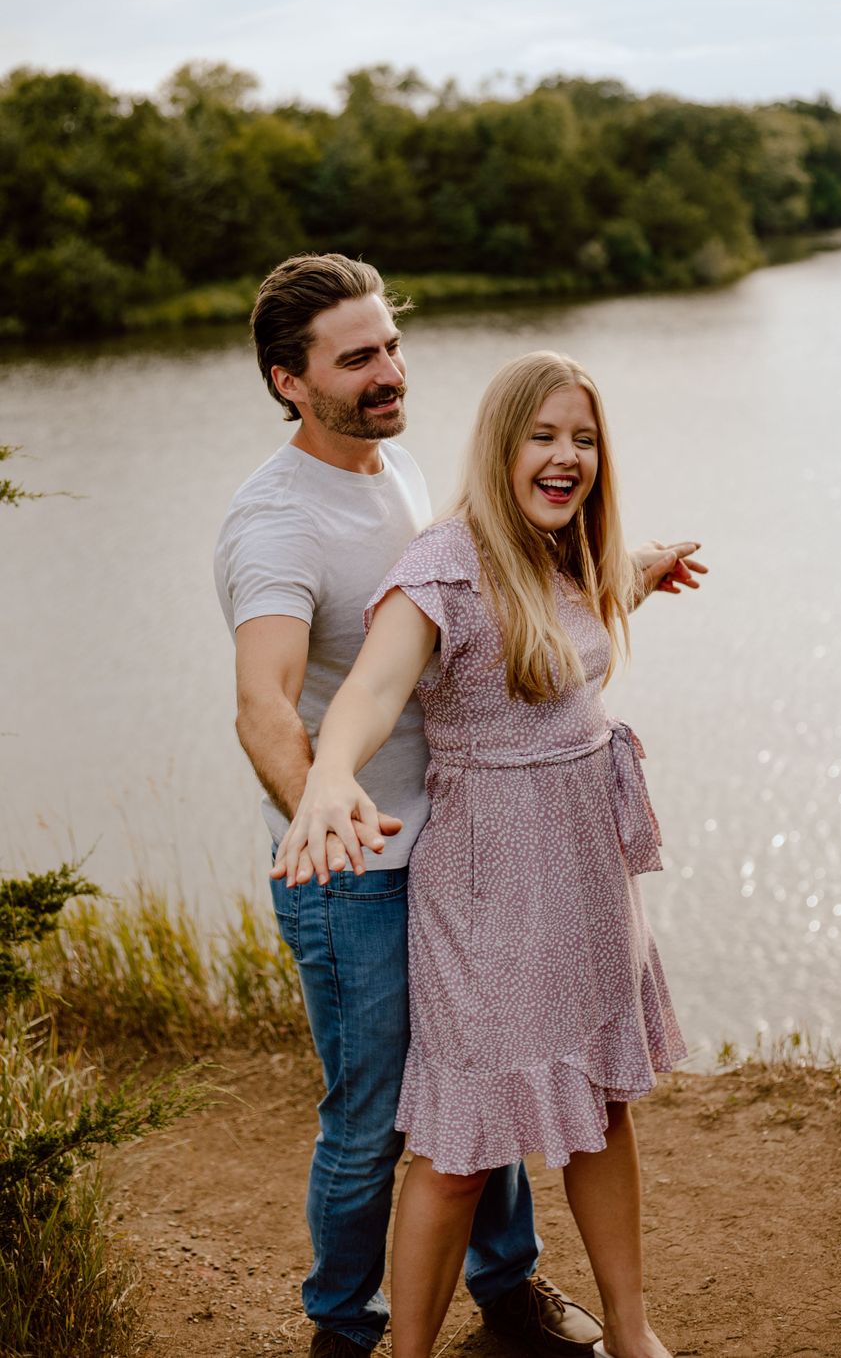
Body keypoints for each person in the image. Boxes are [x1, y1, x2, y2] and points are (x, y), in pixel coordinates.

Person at [215, 254, 702, 1358]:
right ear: (291, 381)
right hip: (366, 863)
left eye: (391, 345)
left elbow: (509, 611)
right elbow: (273, 703)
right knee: (398, 1122)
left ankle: (517, 1293)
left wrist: (629, 568)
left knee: (536, 1099)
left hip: (527, 856)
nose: (389, 371)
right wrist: (323, 792)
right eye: (358, 358)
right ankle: (346, 1335)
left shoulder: (389, 469)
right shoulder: (277, 524)